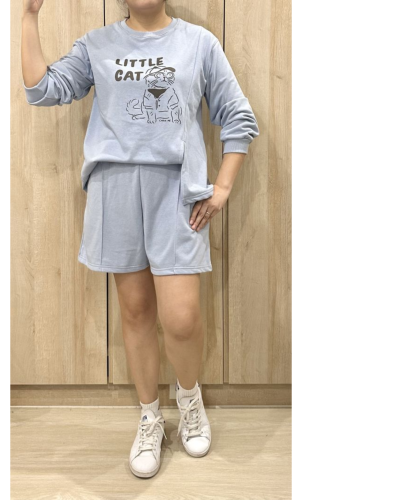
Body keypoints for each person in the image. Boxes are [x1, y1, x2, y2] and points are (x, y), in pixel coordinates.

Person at [21, 0, 259, 479]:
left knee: (182, 317)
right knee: (135, 312)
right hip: (115, 191)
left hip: (177, 192)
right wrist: (28, 17)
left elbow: (238, 116)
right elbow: (42, 89)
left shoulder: (198, 43)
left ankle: (189, 399)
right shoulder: (96, 44)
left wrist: (223, 187)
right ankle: (150, 416)